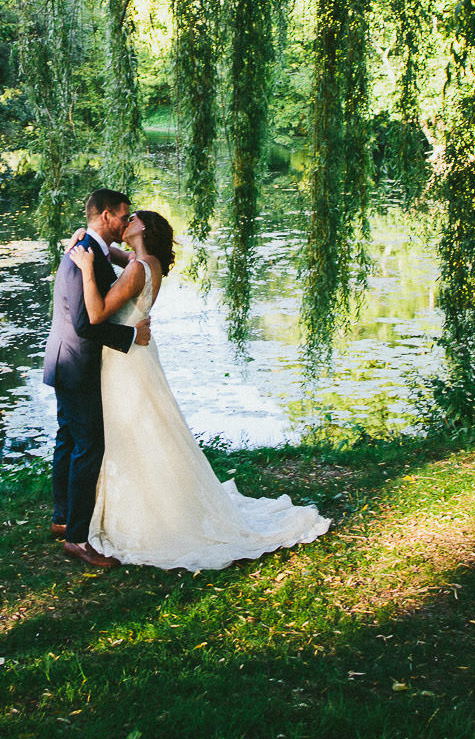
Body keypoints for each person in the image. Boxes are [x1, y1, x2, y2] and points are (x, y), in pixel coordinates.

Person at [67, 208, 331, 570]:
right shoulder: (148, 263)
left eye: (131, 219)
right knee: (146, 427)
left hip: (125, 362)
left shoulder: (135, 269)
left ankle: (149, 514)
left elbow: (96, 314)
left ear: (142, 228)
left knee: (134, 429)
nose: (124, 223)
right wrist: (91, 241)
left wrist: (83, 268)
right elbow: (116, 253)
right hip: (137, 356)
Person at [40, 188, 150, 569]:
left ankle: (62, 517)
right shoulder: (85, 253)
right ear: (105, 215)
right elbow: (87, 324)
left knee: (68, 439)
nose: (126, 222)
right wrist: (132, 336)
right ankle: (77, 539)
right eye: (123, 216)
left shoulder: (89, 248)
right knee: (88, 448)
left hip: (64, 361)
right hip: (77, 364)